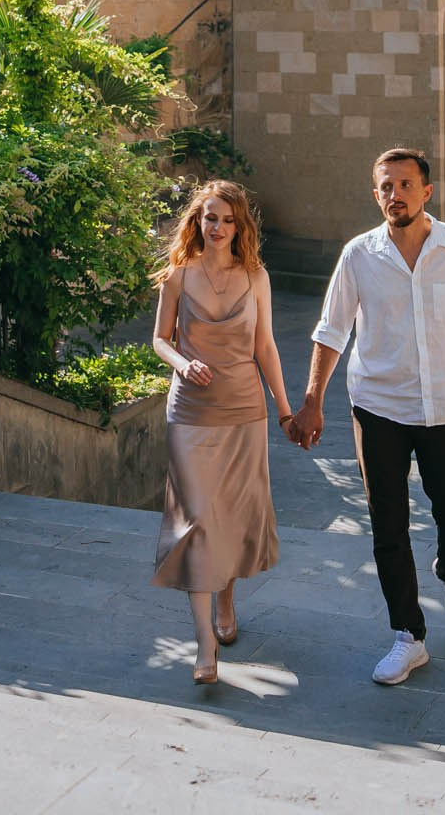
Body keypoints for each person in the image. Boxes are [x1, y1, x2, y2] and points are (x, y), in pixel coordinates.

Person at [286, 149, 445, 687]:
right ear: (375, 193)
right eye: (386, 186)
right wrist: (312, 399)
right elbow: (332, 330)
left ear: (427, 192)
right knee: (388, 521)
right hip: (378, 406)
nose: (395, 194)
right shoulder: (359, 254)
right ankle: (408, 635)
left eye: (405, 184)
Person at [149, 181, 294, 686]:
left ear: (241, 226)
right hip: (189, 412)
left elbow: (267, 347)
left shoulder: (256, 276)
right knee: (196, 521)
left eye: (229, 220)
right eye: (211, 218)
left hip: (245, 411)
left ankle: (227, 599)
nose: (219, 228)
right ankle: (205, 646)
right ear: (198, 220)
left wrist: (284, 410)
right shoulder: (178, 275)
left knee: (231, 515)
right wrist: (183, 363)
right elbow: (160, 340)